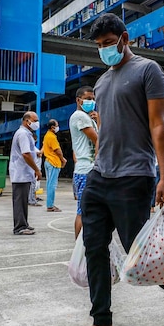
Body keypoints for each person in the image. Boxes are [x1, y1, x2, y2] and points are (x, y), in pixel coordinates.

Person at [61, 13, 164, 326]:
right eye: (99, 46)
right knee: (93, 246)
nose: (104, 50)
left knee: (141, 256)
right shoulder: (104, 82)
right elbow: (107, 129)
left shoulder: (149, 71)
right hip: (99, 175)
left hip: (134, 175)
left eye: (108, 43)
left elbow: (157, 127)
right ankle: (102, 324)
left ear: (125, 38)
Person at [69, 86, 99, 237]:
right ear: (78, 100)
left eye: (93, 99)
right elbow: (98, 140)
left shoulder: (89, 118)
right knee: (83, 212)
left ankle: (85, 250)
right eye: (88, 99)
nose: (91, 102)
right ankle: (78, 251)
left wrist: (98, 120)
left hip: (90, 169)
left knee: (90, 211)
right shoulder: (79, 117)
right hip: (86, 170)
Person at [9, 111, 40, 236]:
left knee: (23, 200)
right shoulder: (23, 134)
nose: (37, 123)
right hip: (20, 172)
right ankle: (19, 227)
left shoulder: (26, 133)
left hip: (24, 172)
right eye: (35, 120)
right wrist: (37, 169)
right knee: (19, 200)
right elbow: (26, 154)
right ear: (27, 121)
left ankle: (24, 223)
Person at [42, 119, 67, 212]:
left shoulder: (47, 136)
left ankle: (50, 204)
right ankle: (50, 205)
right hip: (53, 162)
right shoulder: (52, 137)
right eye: (57, 125)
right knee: (52, 185)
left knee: (49, 184)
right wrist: (63, 159)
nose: (57, 127)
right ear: (52, 127)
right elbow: (57, 150)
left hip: (48, 161)